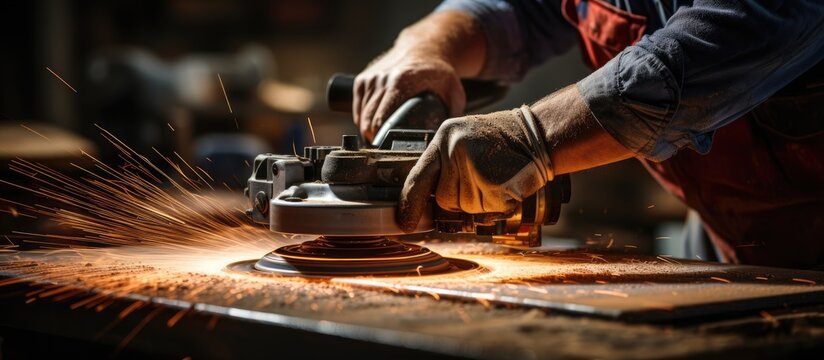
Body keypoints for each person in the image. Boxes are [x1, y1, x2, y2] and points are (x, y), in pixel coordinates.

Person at [352, 0, 824, 269]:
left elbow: (696, 55)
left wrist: (531, 137)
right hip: (724, 238)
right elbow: (515, 11)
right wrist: (426, 47)